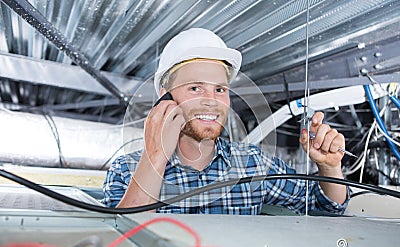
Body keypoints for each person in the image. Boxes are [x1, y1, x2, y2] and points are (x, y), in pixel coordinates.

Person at [103, 28, 349, 215]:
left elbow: (323, 206)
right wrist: (155, 156)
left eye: (220, 89)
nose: (211, 101)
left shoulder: (254, 165)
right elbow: (121, 243)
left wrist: (329, 167)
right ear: (165, 97)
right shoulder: (126, 170)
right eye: (195, 87)